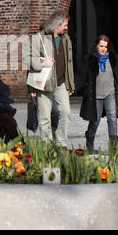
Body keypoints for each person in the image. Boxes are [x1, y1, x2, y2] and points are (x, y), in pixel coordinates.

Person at [27, 12, 75, 144]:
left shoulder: (66, 39)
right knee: (45, 118)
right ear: (56, 24)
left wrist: (71, 84)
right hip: (45, 84)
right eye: (65, 25)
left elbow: (69, 63)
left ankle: (61, 144)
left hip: (61, 83)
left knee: (65, 112)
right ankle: (46, 148)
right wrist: (42, 63)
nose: (66, 28)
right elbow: (28, 59)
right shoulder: (39, 38)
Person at [79, 35, 118, 154]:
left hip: (110, 93)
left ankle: (113, 149)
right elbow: (82, 76)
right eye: (101, 46)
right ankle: (89, 143)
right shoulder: (90, 59)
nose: (103, 49)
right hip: (95, 96)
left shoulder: (113, 58)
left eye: (105, 47)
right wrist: (73, 89)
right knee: (95, 121)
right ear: (96, 46)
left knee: (112, 118)